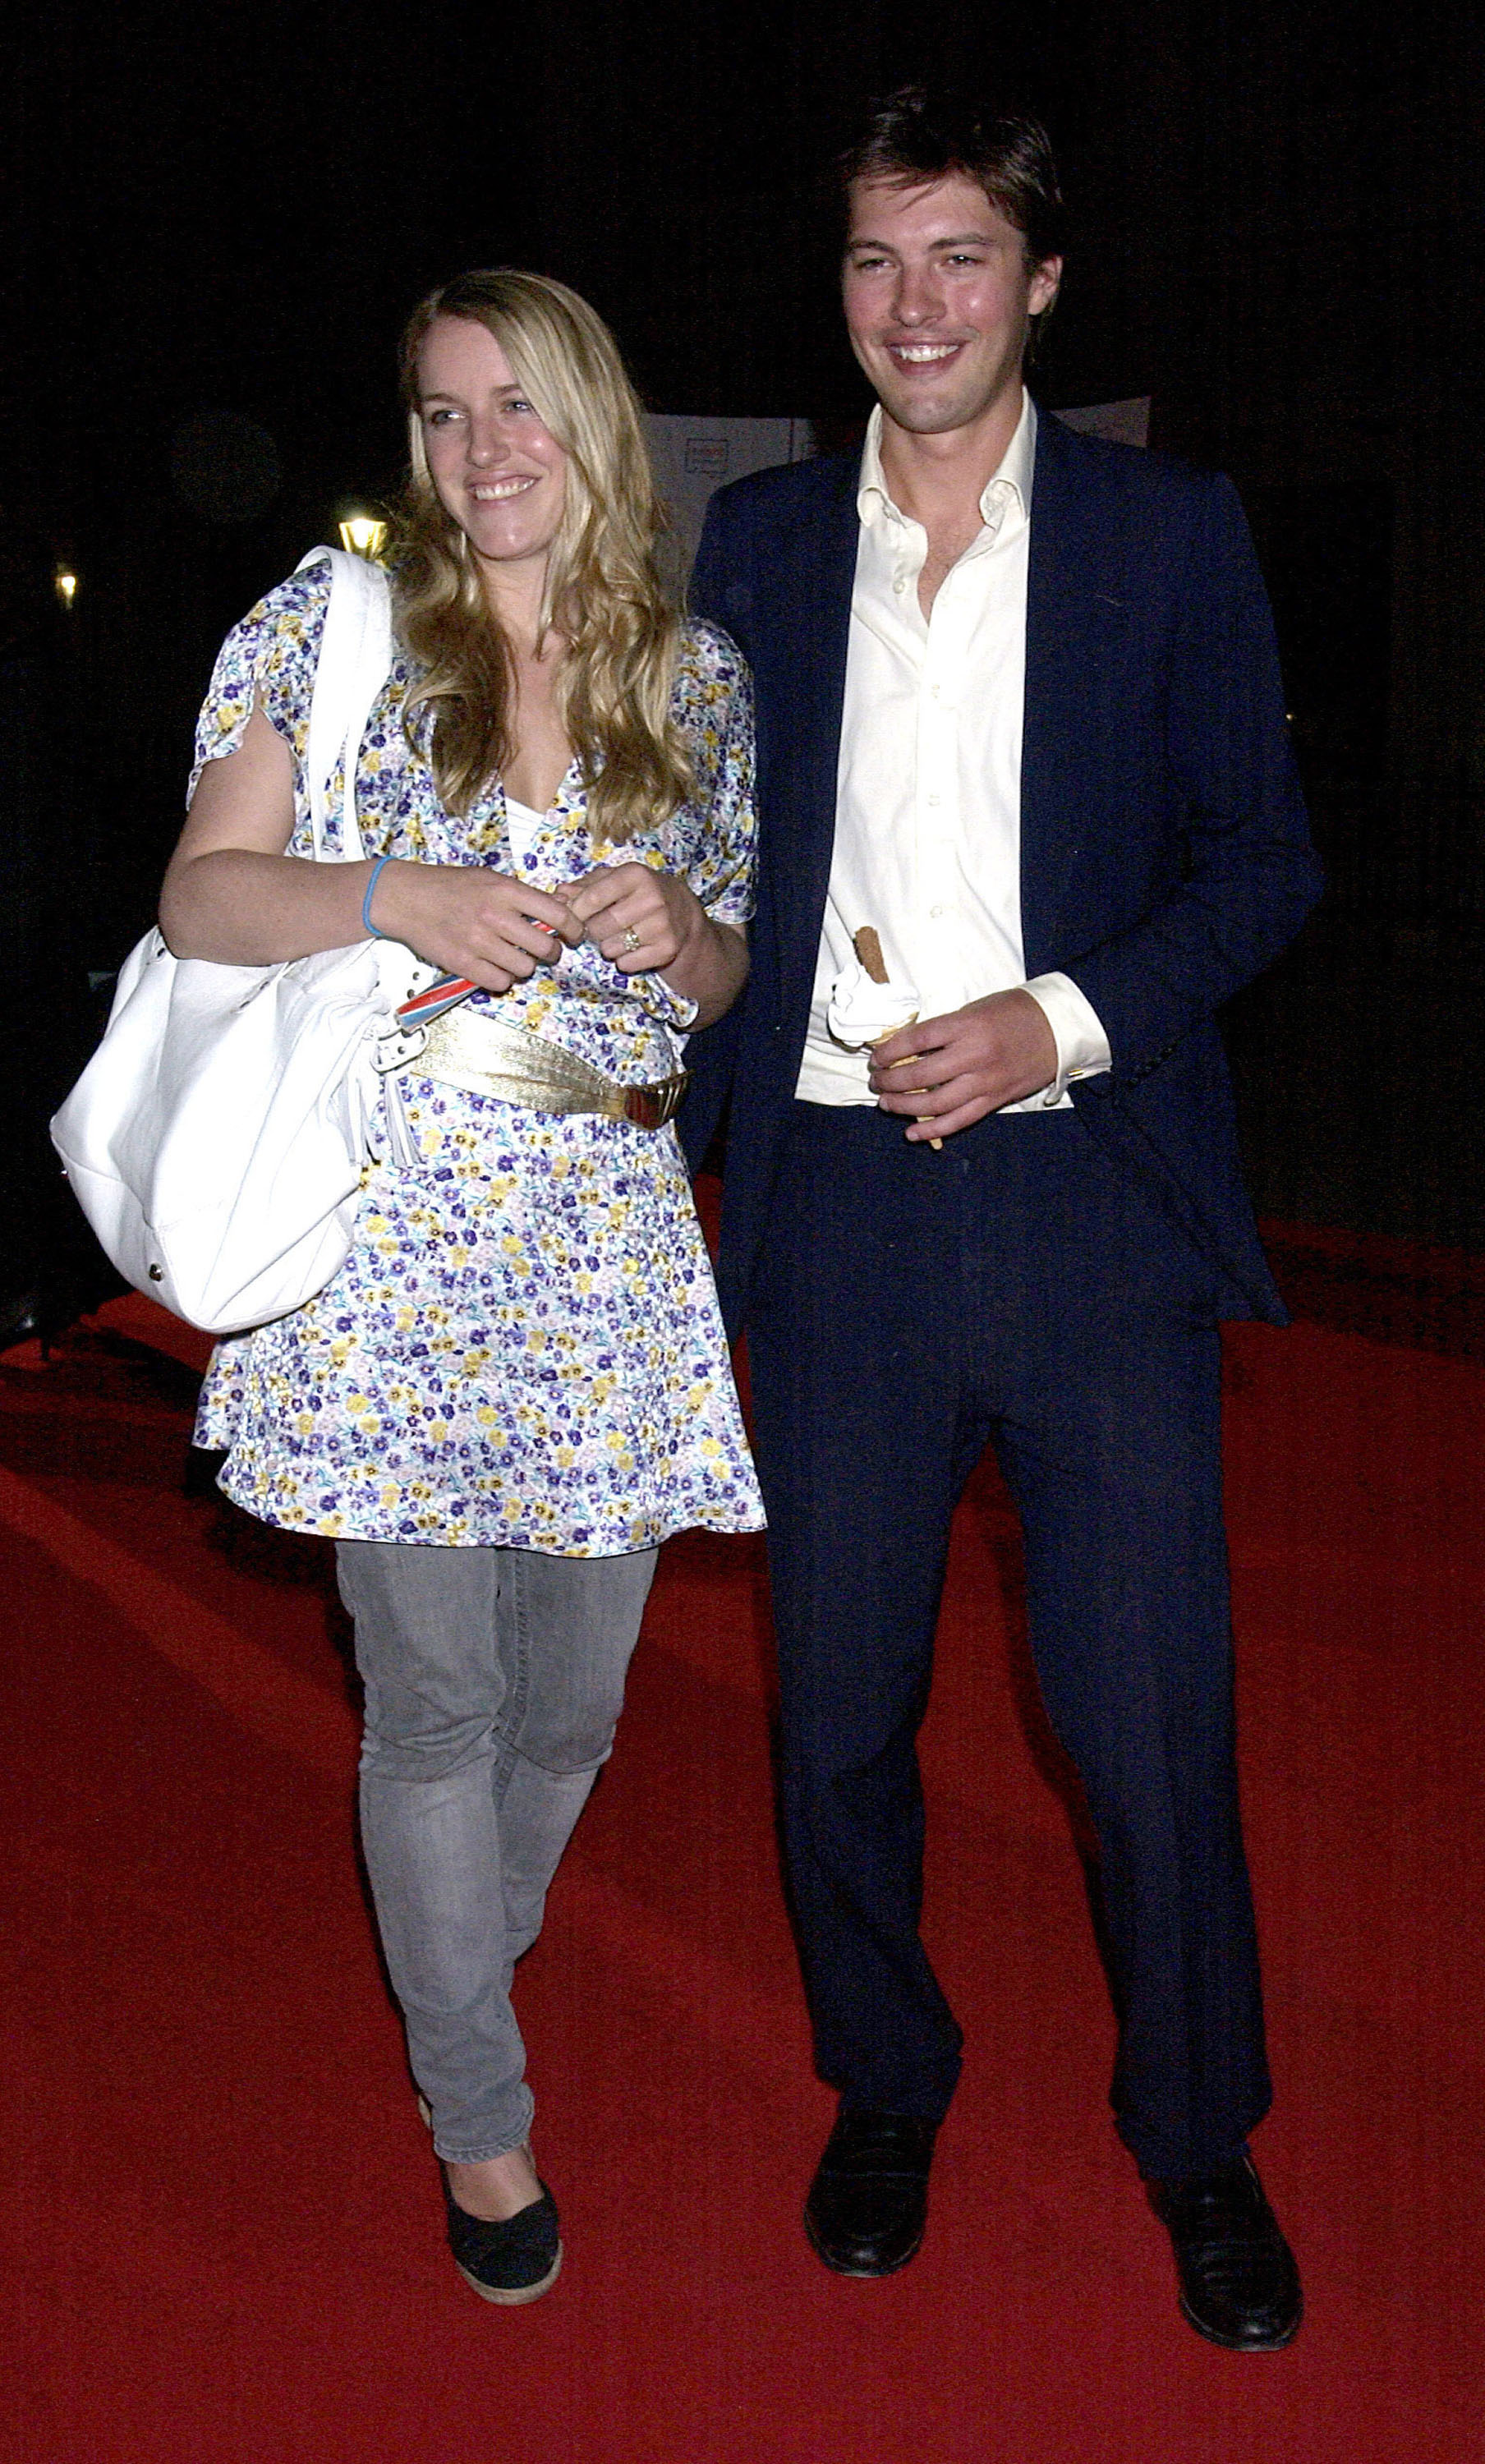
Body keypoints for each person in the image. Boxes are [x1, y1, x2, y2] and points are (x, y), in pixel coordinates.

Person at [683, 87, 1322, 2350]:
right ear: (841, 292)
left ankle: (1199, 2136)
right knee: (836, 1709)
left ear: (1041, 282)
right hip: (840, 1208)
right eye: (876, 262)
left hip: (1091, 1208)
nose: (915, 305)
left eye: (959, 258)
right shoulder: (755, 548)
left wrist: (1060, 1021)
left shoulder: (1169, 534)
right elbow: (707, 871)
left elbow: (1266, 865)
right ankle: (886, 2079)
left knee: (1147, 1714)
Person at [159, 269, 763, 2304]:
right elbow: (201, 892)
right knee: (431, 1711)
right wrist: (388, 890)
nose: (481, 451)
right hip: (390, 1237)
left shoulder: (694, 680)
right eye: (440, 414)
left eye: (518, 407)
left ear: (593, 422)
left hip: (603, 1234)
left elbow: (729, 979)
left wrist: (679, 922)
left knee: (571, 1710)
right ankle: (479, 2120)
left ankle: (450, 1958)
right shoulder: (325, 640)